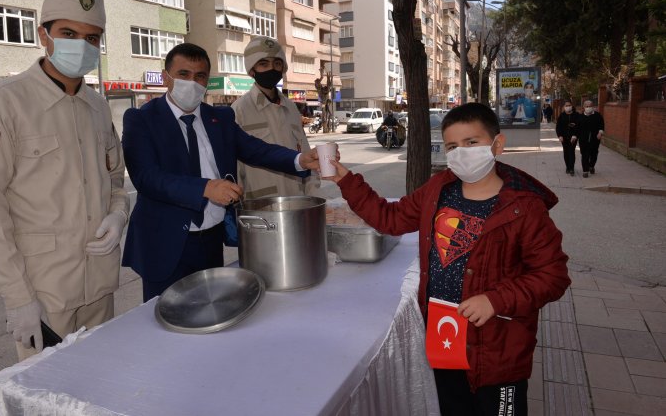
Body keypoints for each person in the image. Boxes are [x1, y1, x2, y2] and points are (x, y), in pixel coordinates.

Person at [323, 103, 570, 416]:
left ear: (498, 145)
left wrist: (496, 300)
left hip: (497, 349)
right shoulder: (438, 190)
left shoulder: (524, 208)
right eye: (453, 146)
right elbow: (390, 218)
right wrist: (347, 181)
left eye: (472, 143)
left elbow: (553, 275)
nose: (462, 152)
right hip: (445, 339)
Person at [0, 0, 129, 360]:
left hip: (99, 287)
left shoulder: (97, 108)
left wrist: (118, 215)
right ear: (43, 36)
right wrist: (17, 298)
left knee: (101, 388)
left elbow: (116, 182)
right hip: (44, 295)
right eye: (68, 34)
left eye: (91, 37)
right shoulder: (5, 103)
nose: (81, 45)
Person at [122, 43, 326, 302]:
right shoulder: (141, 119)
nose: (192, 83)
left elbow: (256, 150)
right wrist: (205, 188)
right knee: (167, 322)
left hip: (210, 241)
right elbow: (146, 177)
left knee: (212, 314)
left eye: (200, 76)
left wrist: (299, 159)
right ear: (166, 77)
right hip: (166, 242)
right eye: (183, 74)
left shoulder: (220, 118)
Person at [231, 37, 318, 199]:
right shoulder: (239, 110)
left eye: (277, 63)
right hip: (260, 207)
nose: (272, 68)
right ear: (252, 70)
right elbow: (235, 167)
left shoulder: (291, 108)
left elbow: (305, 154)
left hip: (298, 202)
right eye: (264, 64)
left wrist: (313, 196)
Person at [578, 100, 605, 178]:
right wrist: (575, 136)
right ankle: (585, 170)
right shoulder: (580, 117)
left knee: (594, 154)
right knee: (584, 154)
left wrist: (600, 133)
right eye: (586, 106)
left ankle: (591, 166)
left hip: (595, 139)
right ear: (583, 107)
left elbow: (601, 125)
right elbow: (577, 128)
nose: (588, 107)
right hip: (583, 139)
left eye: (590, 106)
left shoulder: (597, 115)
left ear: (593, 107)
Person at [555, 100, 580, 176]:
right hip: (564, 137)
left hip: (573, 137)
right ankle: (567, 167)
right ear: (564, 107)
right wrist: (560, 136)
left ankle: (572, 168)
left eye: (569, 105)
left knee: (571, 151)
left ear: (572, 106)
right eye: (566, 105)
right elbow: (558, 127)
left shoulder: (576, 115)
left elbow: (579, 126)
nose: (568, 107)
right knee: (566, 152)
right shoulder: (561, 116)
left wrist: (575, 135)